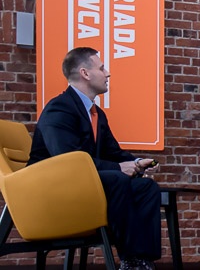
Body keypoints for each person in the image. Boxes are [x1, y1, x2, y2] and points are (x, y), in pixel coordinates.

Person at [28, 47, 161, 270]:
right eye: (102, 68)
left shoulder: (97, 114)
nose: (108, 73)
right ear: (85, 73)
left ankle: (139, 260)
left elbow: (113, 152)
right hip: (52, 189)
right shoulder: (59, 109)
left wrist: (138, 163)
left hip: (81, 182)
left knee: (146, 187)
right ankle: (130, 257)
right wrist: (119, 168)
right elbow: (69, 160)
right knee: (117, 179)